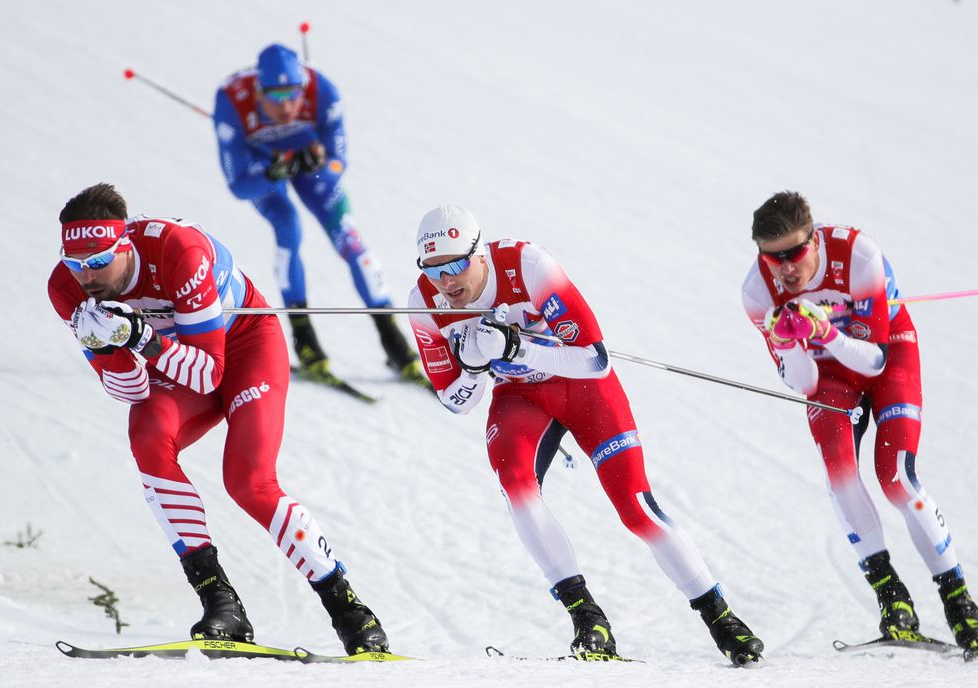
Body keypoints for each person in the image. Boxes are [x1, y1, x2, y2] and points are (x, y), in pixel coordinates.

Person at [407, 205, 765, 666]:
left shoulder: (527, 265)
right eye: (434, 271)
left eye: (456, 266)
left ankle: (720, 616)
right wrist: (475, 369)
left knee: (635, 508)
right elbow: (456, 400)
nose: (447, 282)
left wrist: (518, 346)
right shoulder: (423, 303)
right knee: (516, 484)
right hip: (520, 396)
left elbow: (595, 360)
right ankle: (587, 619)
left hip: (582, 388)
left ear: (480, 254)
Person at [47, 183, 389, 655]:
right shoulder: (65, 289)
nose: (86, 276)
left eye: (98, 261)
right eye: (75, 263)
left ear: (124, 245)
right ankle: (220, 602)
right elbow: (131, 391)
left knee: (249, 481)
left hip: (244, 343)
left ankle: (350, 611)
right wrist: (110, 347)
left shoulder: (177, 250)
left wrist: (142, 339)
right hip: (175, 359)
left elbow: (209, 374)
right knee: (147, 434)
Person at [741, 190, 978, 655]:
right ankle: (892, 598)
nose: (785, 267)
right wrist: (792, 343)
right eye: (772, 257)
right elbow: (803, 382)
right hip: (829, 373)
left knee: (895, 476)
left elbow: (874, 360)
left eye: (794, 253)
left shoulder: (858, 255)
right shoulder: (757, 291)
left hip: (887, 351)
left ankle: (957, 597)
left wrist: (825, 331)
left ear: (813, 240)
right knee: (840, 473)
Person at [213, 43, 425, 387]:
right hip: (265, 168)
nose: (285, 106)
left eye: (292, 94)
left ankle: (396, 344)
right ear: (257, 90)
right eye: (275, 96)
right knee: (288, 227)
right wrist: (271, 173)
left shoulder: (322, 90)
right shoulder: (231, 102)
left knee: (351, 241)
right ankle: (307, 344)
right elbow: (239, 185)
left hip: (309, 168)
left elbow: (339, 163)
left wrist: (319, 165)